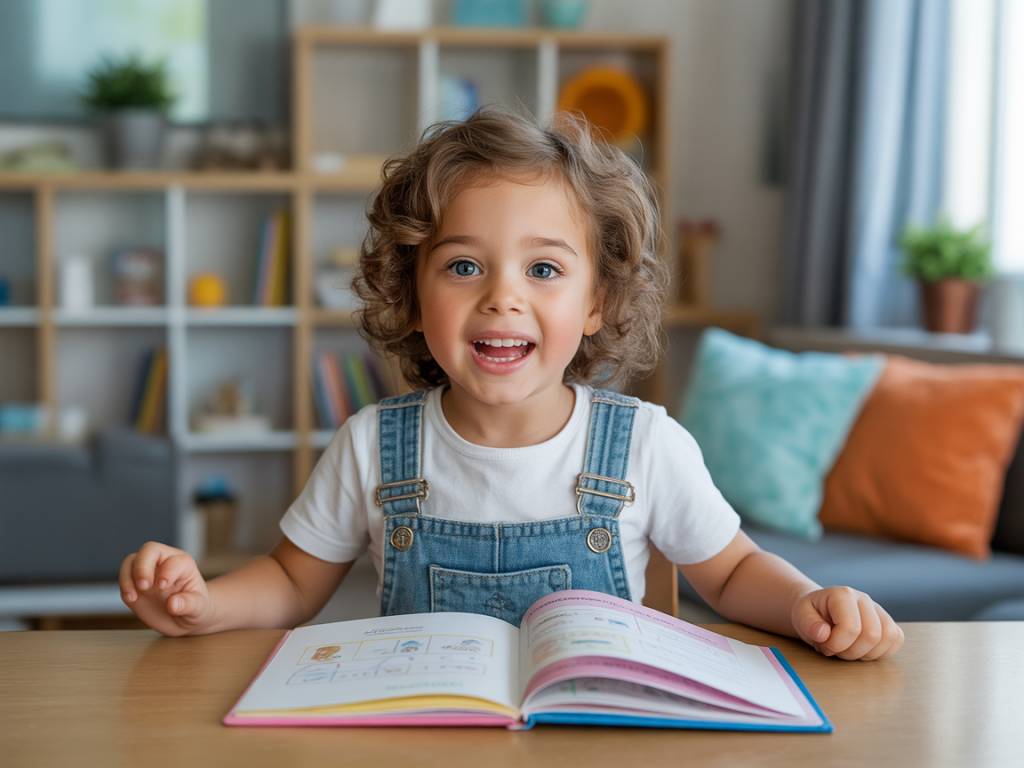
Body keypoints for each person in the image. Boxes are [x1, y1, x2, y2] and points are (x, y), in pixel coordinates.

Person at [120, 107, 903, 661]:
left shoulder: (645, 445)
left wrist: (807, 603)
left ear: (596, 301)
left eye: (544, 269)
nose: (503, 296)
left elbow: (730, 573)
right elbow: (292, 583)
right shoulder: (372, 445)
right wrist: (205, 604)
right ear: (413, 291)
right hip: (426, 742)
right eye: (464, 266)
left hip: (595, 746)